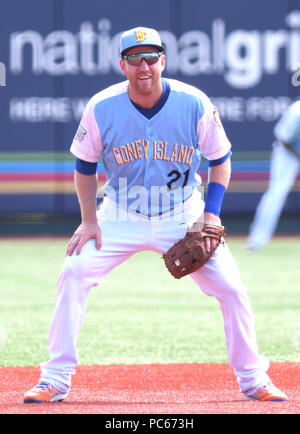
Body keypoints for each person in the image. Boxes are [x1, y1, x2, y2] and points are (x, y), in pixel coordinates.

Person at [24, 26, 288, 403]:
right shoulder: (102, 106)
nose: (143, 65)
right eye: (135, 58)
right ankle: (55, 379)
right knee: (73, 272)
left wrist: (210, 215)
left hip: (183, 213)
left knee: (231, 287)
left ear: (163, 61)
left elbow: (220, 159)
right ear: (123, 65)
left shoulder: (193, 102)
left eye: (151, 57)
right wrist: (89, 220)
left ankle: (253, 380)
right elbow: (84, 167)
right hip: (120, 212)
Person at [246, 99, 300, 251]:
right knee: (276, 194)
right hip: (287, 153)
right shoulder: (296, 112)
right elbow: (284, 140)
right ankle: (256, 241)